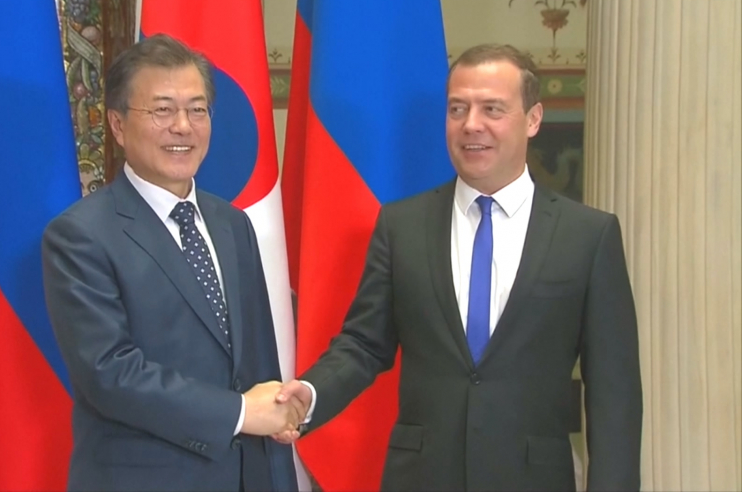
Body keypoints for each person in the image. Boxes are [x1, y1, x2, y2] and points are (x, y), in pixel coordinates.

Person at [275, 44, 643, 491]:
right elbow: (364, 344)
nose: (471, 124)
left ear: (533, 119)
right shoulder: (402, 226)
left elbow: (614, 394)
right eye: (457, 109)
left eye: (492, 109)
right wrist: (311, 393)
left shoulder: (588, 236)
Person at [42, 33, 303, 492]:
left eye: (197, 110)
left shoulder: (232, 224)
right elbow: (110, 372)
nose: (183, 126)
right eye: (162, 110)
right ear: (118, 125)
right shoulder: (80, 236)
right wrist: (242, 413)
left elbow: (258, 363)